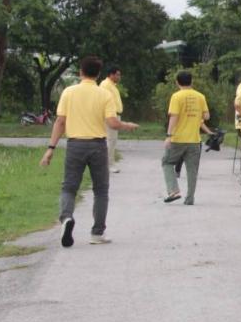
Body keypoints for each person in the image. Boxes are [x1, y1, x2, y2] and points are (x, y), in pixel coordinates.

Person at [40, 56, 139, 246]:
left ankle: (67, 217)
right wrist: (126, 125)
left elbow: (60, 122)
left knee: (69, 187)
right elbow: (112, 122)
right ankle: (97, 233)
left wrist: (50, 148)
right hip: (97, 145)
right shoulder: (104, 94)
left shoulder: (69, 92)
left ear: (80, 72)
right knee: (101, 190)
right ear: (98, 74)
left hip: (75, 144)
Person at [161, 70, 212, 205]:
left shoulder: (176, 96)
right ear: (192, 81)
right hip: (194, 139)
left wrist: (169, 135)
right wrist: (196, 116)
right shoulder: (200, 96)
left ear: (177, 82)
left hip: (178, 138)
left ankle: (173, 190)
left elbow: (174, 116)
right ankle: (190, 198)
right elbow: (207, 116)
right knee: (192, 170)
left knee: (167, 162)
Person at [100, 66, 124, 172]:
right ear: (111, 74)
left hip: (115, 114)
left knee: (112, 140)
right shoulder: (105, 85)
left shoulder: (112, 85)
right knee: (110, 140)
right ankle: (108, 165)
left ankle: (109, 163)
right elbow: (103, 101)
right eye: (117, 74)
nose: (119, 77)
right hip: (110, 115)